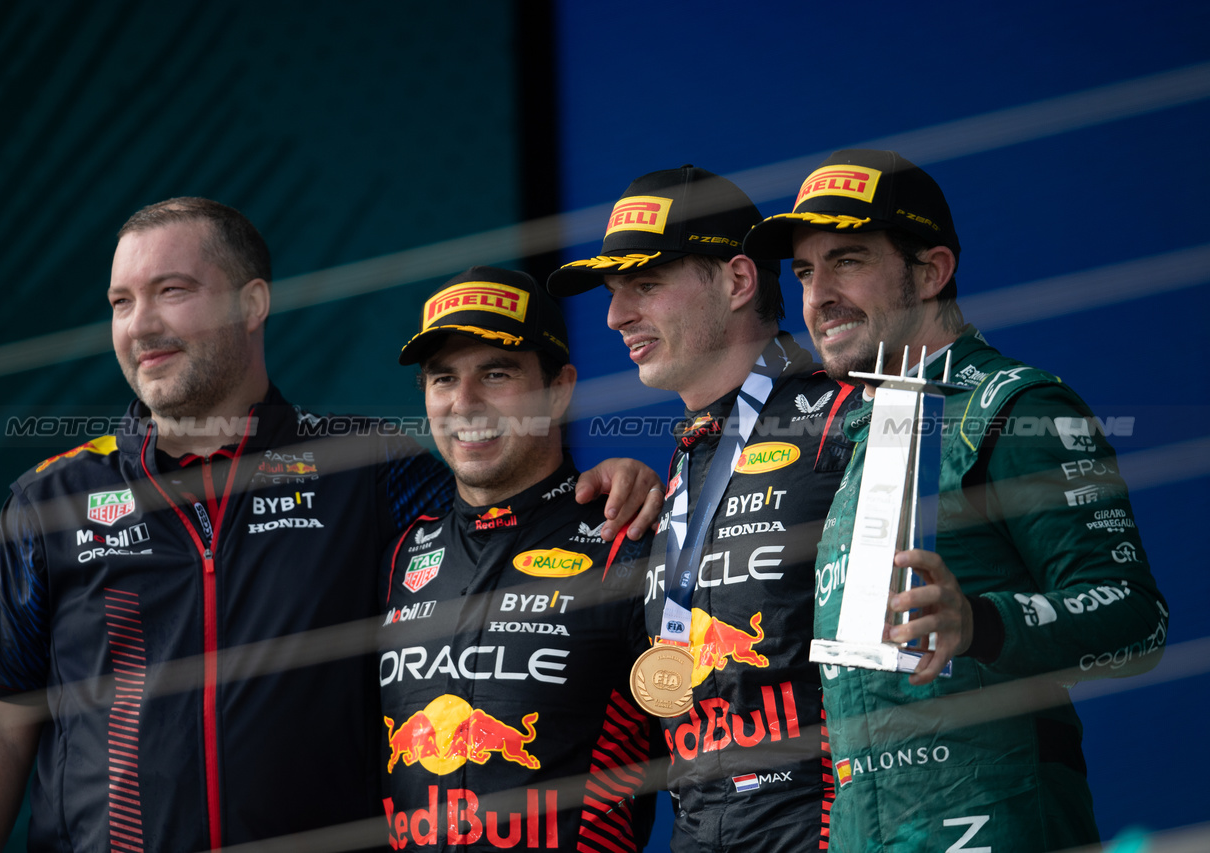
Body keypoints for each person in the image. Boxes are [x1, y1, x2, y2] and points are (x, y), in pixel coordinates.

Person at [0, 199, 662, 853]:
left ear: (253, 303)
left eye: (172, 292)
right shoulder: (50, 497)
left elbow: (503, 500)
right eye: (121, 301)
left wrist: (612, 479)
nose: (140, 323)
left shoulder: (372, 466)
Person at [742, 148, 1169, 851]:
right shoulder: (859, 434)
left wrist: (981, 622)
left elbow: (1136, 619)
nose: (818, 296)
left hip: (1001, 820)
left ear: (932, 271)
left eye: (847, 260)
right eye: (806, 271)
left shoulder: (1019, 407)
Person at [548, 167, 857, 852]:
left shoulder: (848, 421)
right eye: (612, 292)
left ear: (738, 281)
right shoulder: (688, 459)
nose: (614, 315)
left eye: (645, 284)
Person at [378, 266, 656, 851]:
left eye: (496, 374)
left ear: (558, 388)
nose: (464, 403)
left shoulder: (630, 538)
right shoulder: (401, 555)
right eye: (442, 379)